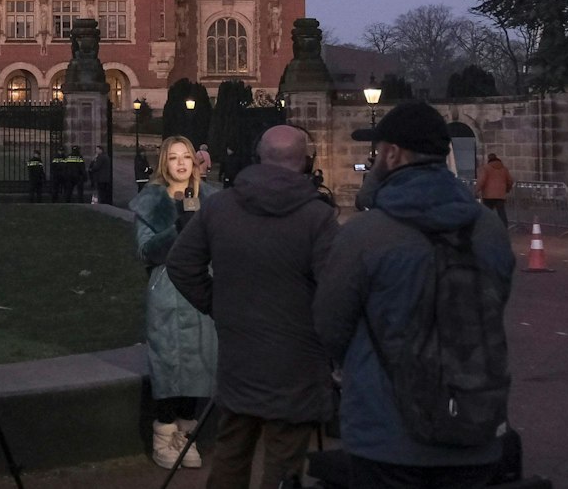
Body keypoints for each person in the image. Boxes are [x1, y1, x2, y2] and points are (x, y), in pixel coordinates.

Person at [315, 101, 515, 489]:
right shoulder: (489, 229)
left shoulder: (364, 234)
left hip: (386, 435)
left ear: (393, 154)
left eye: (377, 152)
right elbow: (496, 302)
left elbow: (330, 327)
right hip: (476, 423)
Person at [168, 125, 339, 489]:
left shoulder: (220, 207)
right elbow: (335, 291)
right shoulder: (317, 217)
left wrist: (218, 305)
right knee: (283, 462)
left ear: (259, 157)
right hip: (297, 360)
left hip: (240, 353)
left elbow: (181, 265)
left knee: (231, 453)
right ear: (305, 163)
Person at [131, 136, 218, 469]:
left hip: (203, 288)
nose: (181, 164)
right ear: (163, 164)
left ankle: (186, 435)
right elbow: (144, 250)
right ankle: (163, 439)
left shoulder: (212, 199)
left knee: (200, 360)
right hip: (167, 290)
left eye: (186, 157)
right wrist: (176, 229)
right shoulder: (149, 202)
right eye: (173, 158)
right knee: (168, 362)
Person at [476, 153, 514, 226]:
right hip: (500, 195)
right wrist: (507, 189)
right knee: (501, 212)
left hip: (488, 195)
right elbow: (510, 181)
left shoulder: (485, 168)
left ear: (489, 159)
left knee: (487, 212)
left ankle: (487, 226)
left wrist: (476, 190)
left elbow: (481, 181)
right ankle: (504, 227)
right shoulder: (504, 169)